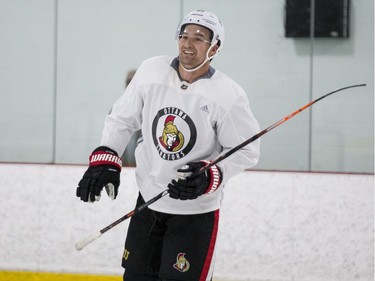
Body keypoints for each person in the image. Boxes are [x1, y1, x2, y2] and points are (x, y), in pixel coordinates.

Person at [76, 9, 260, 281]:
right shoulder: (152, 70)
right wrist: (107, 156)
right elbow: (121, 118)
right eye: (184, 35)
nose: (188, 43)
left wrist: (211, 173)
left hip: (195, 215)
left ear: (215, 47)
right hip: (147, 205)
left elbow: (247, 150)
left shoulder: (228, 94)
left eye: (199, 38)